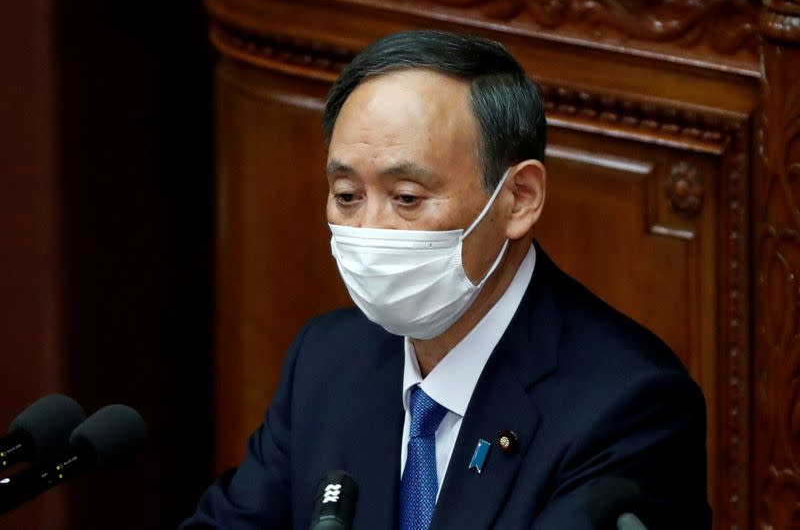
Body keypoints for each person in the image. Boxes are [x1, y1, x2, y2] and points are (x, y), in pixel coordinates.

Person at [181, 30, 710, 529]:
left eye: (407, 198)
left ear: (518, 198)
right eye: (347, 196)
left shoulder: (627, 407)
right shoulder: (326, 362)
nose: (370, 229)